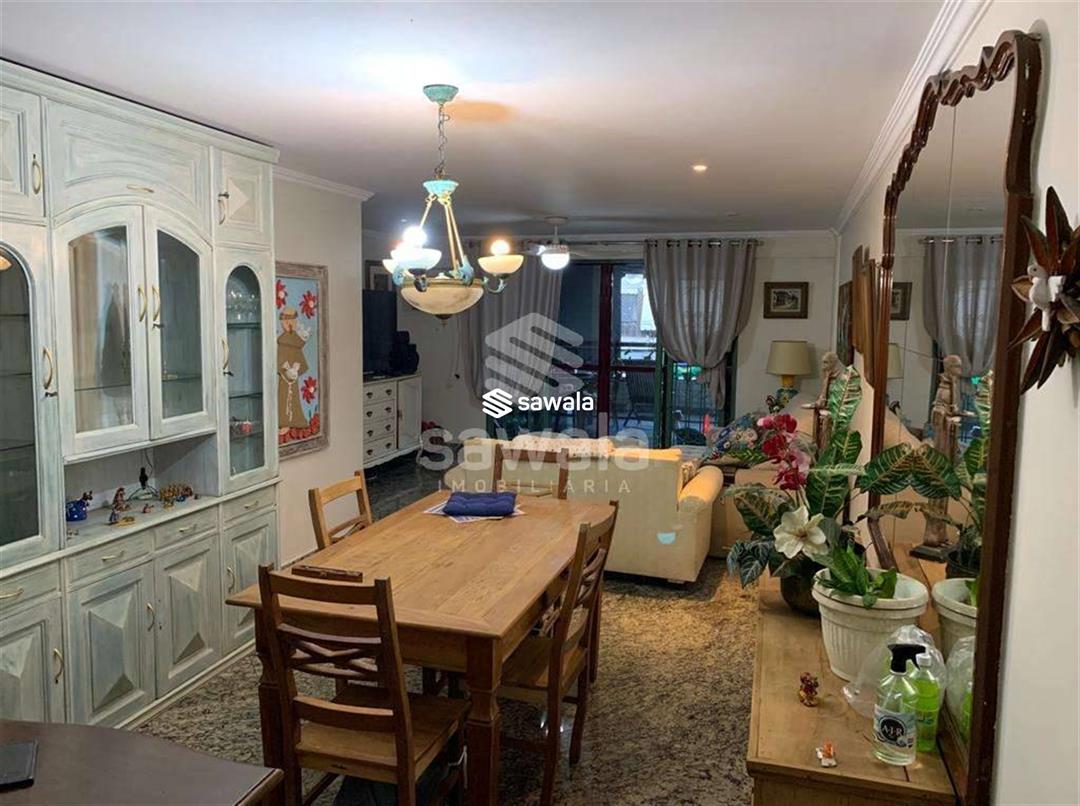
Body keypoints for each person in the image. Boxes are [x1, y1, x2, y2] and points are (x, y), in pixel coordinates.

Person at [277, 306, 309, 434]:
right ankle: (285, 422)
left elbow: (300, 359)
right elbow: (279, 360)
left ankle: (293, 421)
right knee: (284, 397)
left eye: (292, 320)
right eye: (286, 320)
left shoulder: (295, 341)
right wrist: (285, 370)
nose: (289, 323)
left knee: (292, 398)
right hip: (285, 377)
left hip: (292, 376)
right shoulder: (282, 341)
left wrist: (296, 370)